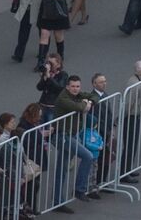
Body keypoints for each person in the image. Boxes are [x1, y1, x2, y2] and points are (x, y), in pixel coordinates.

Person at [52, 76, 97, 204]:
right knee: (87, 156)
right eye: (73, 86)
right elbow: (80, 108)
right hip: (63, 136)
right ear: (67, 87)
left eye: (77, 86)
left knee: (62, 168)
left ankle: (57, 201)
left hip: (71, 135)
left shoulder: (77, 94)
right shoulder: (63, 98)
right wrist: (86, 104)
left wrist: (90, 102)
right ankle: (79, 189)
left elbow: (93, 96)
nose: (75, 89)